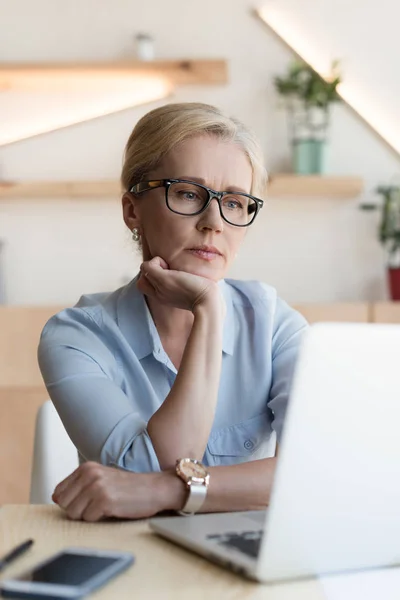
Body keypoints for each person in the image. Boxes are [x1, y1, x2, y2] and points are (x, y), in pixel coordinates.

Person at [38, 102, 308, 522]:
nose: (214, 222)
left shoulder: (276, 325)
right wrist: (209, 312)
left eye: (235, 203)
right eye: (187, 193)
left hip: (243, 563)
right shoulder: (76, 336)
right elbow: (144, 470)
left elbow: (318, 472)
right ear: (133, 210)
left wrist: (166, 489)